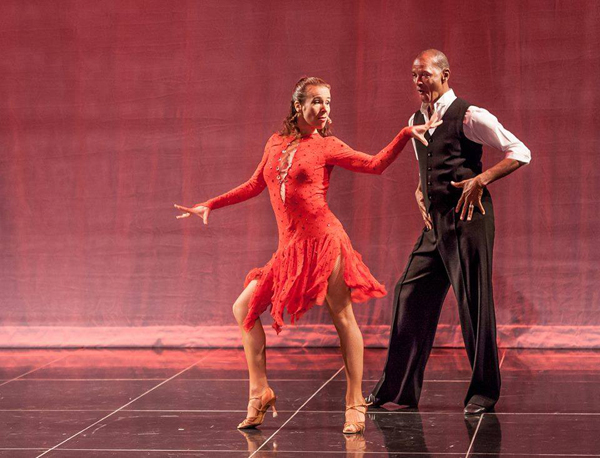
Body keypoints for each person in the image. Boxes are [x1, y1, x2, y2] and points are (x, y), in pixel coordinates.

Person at [175, 77, 441, 433]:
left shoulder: (327, 146)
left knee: (342, 316)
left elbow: (375, 164)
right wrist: (210, 203)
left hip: (324, 240)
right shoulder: (275, 142)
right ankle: (260, 392)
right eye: (316, 101)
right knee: (244, 310)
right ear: (297, 106)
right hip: (290, 248)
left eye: (328, 102)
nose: (324, 109)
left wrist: (404, 135)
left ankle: (354, 403)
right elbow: (255, 184)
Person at [367, 50, 531, 415]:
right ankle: (396, 390)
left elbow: (520, 151)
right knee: (409, 293)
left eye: (424, 74)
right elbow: (425, 168)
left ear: (444, 75)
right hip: (436, 224)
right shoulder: (415, 120)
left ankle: (483, 393)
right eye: (413, 75)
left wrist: (482, 178)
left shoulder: (469, 115)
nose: (417, 81)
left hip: (470, 220)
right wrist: (419, 192)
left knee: (473, 303)